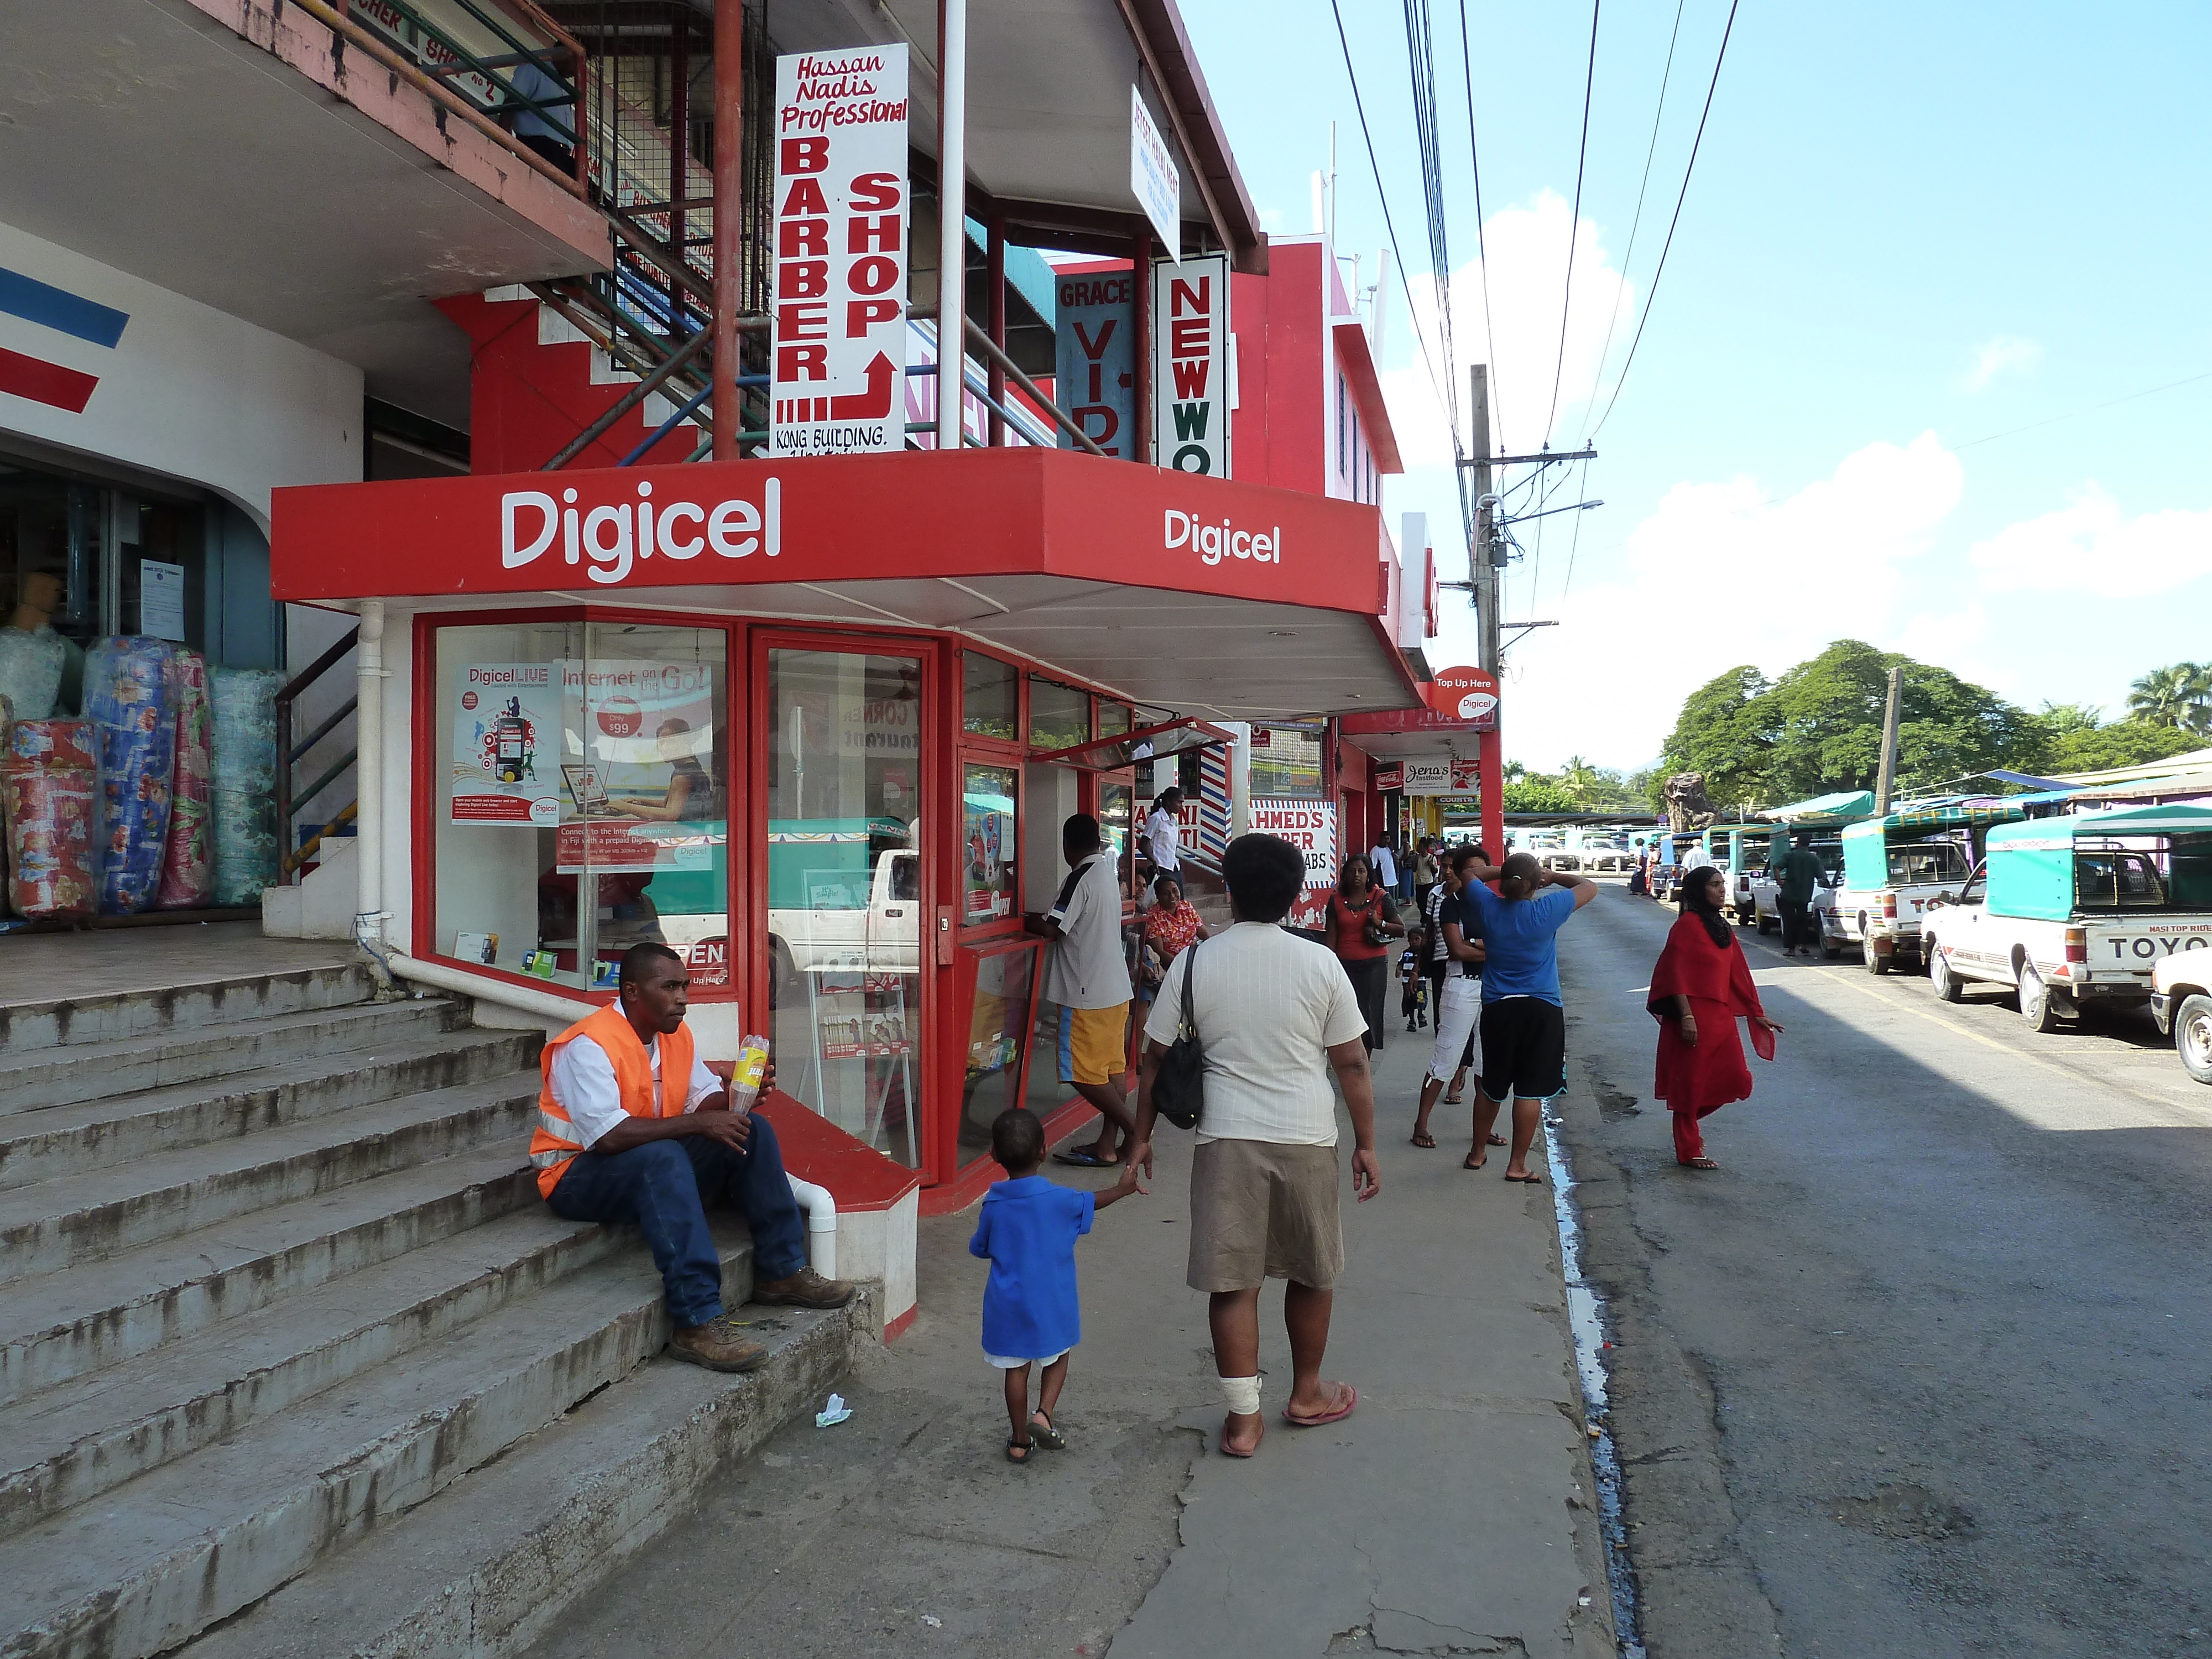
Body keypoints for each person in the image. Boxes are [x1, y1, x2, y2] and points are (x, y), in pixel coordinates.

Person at [1128, 833, 1380, 1459]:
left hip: (1225, 1139)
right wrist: (1367, 1144)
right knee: (1311, 1273)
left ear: (1230, 891)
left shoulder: (1193, 962)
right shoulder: (1320, 962)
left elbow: (1153, 1061)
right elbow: (1351, 1064)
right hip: (1306, 1137)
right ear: (1297, 895)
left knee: (1233, 1283)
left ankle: (1243, 1422)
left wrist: (1139, 1139)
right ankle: (1307, 1394)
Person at [533, 943, 855, 1373]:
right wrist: (701, 1126)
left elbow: (704, 1105)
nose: (683, 997)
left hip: (645, 1163)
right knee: (663, 1157)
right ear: (631, 991)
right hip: (574, 1177)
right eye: (669, 986)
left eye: (684, 985)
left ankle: (782, 1271)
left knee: (751, 1130)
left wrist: (740, 1096)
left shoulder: (674, 1036)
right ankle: (696, 1321)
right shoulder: (588, 1045)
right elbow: (609, 1136)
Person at [970, 1107, 1142, 1463]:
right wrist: (1123, 1189)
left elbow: (980, 1247)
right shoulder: (1061, 1199)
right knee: (1058, 1355)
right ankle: (1044, 1415)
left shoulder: (993, 1205)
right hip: (1053, 1301)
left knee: (1015, 1369)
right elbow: (1093, 1202)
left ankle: (1019, 1440)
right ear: (1044, 1151)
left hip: (1008, 1305)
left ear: (993, 1155)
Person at [1456, 852, 1600, 1181]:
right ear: (1537, 886)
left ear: (1504, 882)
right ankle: (1516, 1165)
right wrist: (1551, 876)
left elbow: (1470, 874)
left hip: (1498, 1007)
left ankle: (1478, 1153)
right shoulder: (1547, 910)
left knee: (1492, 1086)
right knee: (1529, 1090)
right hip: (1542, 1007)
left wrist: (1509, 871)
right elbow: (1589, 886)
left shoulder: (1489, 906)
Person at [1650, 867, 1785, 1170]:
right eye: (1714, 885)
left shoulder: (1721, 926)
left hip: (1720, 1016)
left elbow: (1739, 974)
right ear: (1699, 890)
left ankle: (1687, 1124)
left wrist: (1757, 1013)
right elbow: (1674, 974)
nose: (1722, 889)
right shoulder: (1686, 926)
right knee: (1691, 1085)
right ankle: (1689, 1148)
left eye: (1723, 884)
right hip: (1693, 1016)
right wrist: (1686, 1017)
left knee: (1737, 1080)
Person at [1026, 814, 1137, 1168]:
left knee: (1080, 1073)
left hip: (1086, 995)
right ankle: (1107, 1146)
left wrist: (1026, 919)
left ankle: (1135, 1133)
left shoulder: (1079, 878)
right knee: (1110, 1073)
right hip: (1116, 990)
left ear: (1067, 845)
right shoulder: (1107, 873)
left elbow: (1052, 930)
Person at [1411, 844, 1492, 1149]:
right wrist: (1490, 948)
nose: (1474, 877)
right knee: (1445, 1058)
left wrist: (1478, 945)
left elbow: (1498, 945)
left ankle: (1482, 1132)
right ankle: (1421, 1124)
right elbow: (1458, 951)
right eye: (1469, 872)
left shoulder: (1493, 903)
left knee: (1487, 1065)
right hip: (1461, 983)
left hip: (1491, 988)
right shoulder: (1451, 904)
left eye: (1480, 872)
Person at [1325, 853, 1403, 1055]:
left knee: (1369, 1014)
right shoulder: (1335, 900)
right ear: (1345, 874)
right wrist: (1328, 966)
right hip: (1344, 966)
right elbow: (1331, 938)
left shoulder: (1381, 897)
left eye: (1362, 871)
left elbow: (1400, 929)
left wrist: (1380, 923)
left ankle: (1363, 1062)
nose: (1357, 875)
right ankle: (1348, 1058)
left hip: (1374, 966)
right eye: (1352, 871)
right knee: (1343, 1015)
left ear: (1369, 875)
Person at [606, 718, 718, 821]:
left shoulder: (682, 777)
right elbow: (668, 804)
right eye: (661, 743)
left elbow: (670, 814)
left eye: (670, 742)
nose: (663, 748)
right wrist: (641, 802)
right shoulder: (690, 768)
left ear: (685, 742)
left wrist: (627, 807)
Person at [1139, 871, 1211, 1000]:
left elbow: (1205, 935)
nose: (1172, 896)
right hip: (1173, 966)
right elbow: (1160, 951)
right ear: (1158, 896)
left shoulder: (1186, 907)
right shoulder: (1153, 916)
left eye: (1175, 891)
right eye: (1166, 893)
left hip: (1194, 959)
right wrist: (1184, 966)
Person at [1776, 833, 1826, 958]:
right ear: (1809, 843)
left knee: (1789, 922)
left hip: (1788, 894)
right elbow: (1822, 877)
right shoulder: (1814, 859)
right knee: (1803, 921)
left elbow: (1777, 867)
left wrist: (1780, 881)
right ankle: (1803, 946)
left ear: (1798, 842)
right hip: (1804, 896)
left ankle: (1791, 949)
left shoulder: (1790, 856)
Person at [1144, 787, 1185, 881]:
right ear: (1169, 801)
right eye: (1179, 802)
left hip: (1174, 866)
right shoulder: (1156, 818)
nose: (1182, 806)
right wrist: (1153, 861)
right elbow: (1143, 844)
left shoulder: (1174, 821)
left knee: (1179, 895)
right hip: (1160, 867)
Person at [1398, 940, 1428, 1032]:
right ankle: (1411, 1021)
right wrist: (1398, 969)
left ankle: (1420, 1014)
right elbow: (1400, 963)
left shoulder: (1423, 954)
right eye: (1412, 940)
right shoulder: (1406, 953)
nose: (1414, 942)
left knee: (1420, 998)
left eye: (1417, 939)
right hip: (1407, 982)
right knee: (1409, 999)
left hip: (1420, 982)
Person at [1413, 838, 1441, 915]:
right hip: (1419, 882)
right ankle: (1423, 916)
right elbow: (1414, 869)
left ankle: (1425, 920)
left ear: (1425, 848)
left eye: (1421, 847)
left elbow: (1435, 871)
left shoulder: (1431, 858)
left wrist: (1431, 865)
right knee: (1419, 902)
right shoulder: (1417, 857)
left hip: (1428, 882)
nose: (1419, 848)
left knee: (1427, 902)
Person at [1368, 837, 1400, 901]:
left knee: (1394, 901)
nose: (1387, 841)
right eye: (1385, 839)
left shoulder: (1388, 849)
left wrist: (1392, 850)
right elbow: (1373, 867)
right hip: (1384, 882)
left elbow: (1396, 861)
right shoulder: (1375, 850)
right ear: (1381, 839)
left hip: (1393, 881)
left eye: (1388, 839)